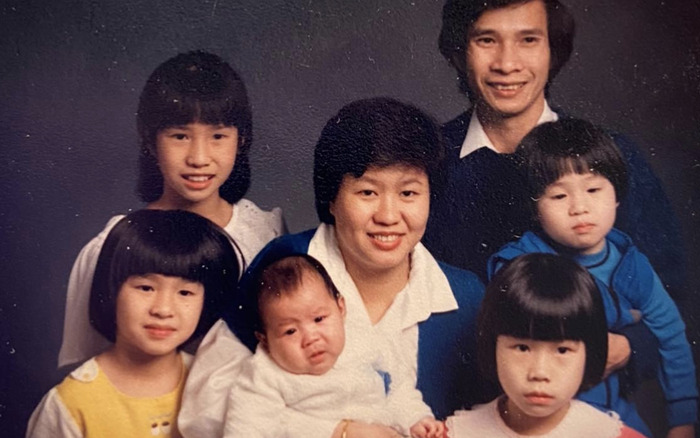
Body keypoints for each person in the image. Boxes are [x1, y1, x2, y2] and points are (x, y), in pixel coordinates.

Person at [179, 97, 487, 438]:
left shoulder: (466, 296)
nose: (388, 215)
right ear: (332, 199)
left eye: (409, 193)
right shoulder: (285, 264)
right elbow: (205, 409)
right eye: (367, 192)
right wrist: (338, 432)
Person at [424, 0, 684, 296]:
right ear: (459, 53)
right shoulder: (427, 158)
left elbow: (666, 287)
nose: (507, 64)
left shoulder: (613, 154)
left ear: (553, 52)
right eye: (486, 40)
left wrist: (620, 342)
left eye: (528, 40)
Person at [57, 50, 285, 368]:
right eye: (180, 136)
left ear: (241, 140)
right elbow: (83, 370)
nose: (199, 158)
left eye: (218, 136)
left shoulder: (268, 234)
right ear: (150, 140)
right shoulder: (114, 244)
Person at [488, 119, 697, 437]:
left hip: (616, 414)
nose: (580, 208)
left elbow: (670, 335)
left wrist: (682, 420)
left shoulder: (631, 263)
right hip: (542, 420)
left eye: (594, 189)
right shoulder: (519, 264)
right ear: (535, 209)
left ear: (617, 196)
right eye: (559, 197)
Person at [27, 209, 241, 438]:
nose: (163, 309)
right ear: (112, 290)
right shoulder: (71, 403)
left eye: (185, 292)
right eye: (146, 288)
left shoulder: (214, 383)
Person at [224, 254, 444, 438]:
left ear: (341, 308)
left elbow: (397, 391)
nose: (311, 338)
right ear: (265, 339)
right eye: (290, 331)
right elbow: (246, 428)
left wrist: (417, 420)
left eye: (319, 319)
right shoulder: (264, 375)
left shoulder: (365, 339)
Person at [446, 253, 645, 438]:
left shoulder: (611, 434)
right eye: (522, 348)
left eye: (562, 350)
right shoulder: (454, 433)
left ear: (589, 354)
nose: (539, 373)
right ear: (493, 347)